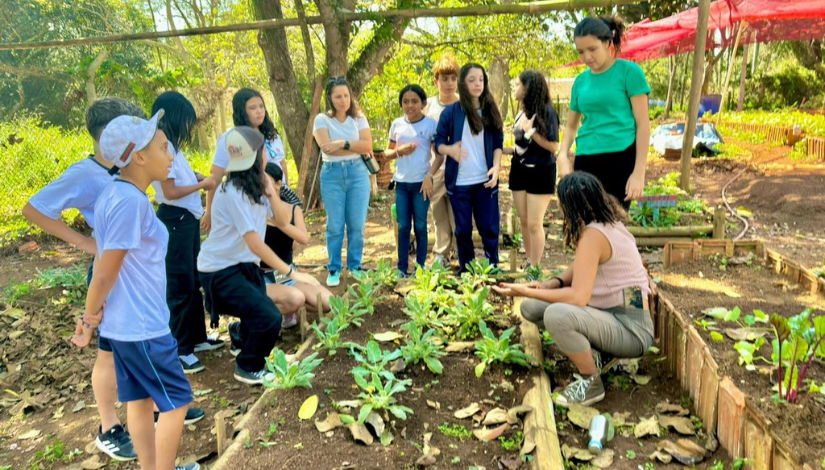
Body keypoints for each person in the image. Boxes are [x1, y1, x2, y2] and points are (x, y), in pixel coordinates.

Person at [72, 111, 200, 470]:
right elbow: (104, 270)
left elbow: (106, 266)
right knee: (176, 401)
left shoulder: (115, 193)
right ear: (139, 157)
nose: (171, 154)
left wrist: (95, 317)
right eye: (163, 147)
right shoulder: (130, 201)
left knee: (141, 401)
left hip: (126, 326)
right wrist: (88, 319)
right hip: (143, 327)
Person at [23, 98, 142, 462]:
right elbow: (34, 209)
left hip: (133, 271)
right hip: (108, 273)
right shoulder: (84, 173)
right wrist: (87, 244)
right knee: (108, 351)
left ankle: (149, 408)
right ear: (108, 134)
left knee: (138, 343)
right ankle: (109, 428)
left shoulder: (127, 168)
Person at [493, 172, 654, 407]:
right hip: (617, 315)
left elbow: (579, 297)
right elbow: (579, 267)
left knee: (556, 315)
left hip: (632, 329)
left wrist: (526, 290)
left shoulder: (593, 235)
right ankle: (599, 354)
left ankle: (591, 382)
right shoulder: (608, 224)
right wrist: (551, 284)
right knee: (532, 308)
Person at [197, 127, 319, 385]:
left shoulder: (255, 186)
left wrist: (272, 191)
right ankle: (248, 366)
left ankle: (240, 334)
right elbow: (255, 244)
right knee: (269, 317)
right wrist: (291, 272)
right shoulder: (233, 192)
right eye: (264, 150)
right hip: (220, 271)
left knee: (258, 311)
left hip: (243, 266)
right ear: (258, 155)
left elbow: (284, 220)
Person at [150, 91, 223, 375]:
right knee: (179, 284)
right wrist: (201, 187)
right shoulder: (158, 143)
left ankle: (197, 339)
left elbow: (180, 176)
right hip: (175, 220)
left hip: (187, 220)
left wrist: (197, 177)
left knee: (193, 280)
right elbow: (169, 191)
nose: (190, 128)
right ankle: (180, 348)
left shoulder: (173, 147)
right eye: (188, 122)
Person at [557, 15, 651, 210]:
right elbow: (571, 125)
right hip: (586, 159)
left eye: (592, 49)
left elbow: (643, 125)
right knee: (585, 223)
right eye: (581, 52)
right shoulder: (580, 82)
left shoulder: (629, 72)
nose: (586, 57)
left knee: (614, 224)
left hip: (620, 158)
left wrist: (639, 172)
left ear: (608, 43)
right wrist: (563, 155)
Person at [434, 63, 504, 273]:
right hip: (460, 183)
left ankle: (492, 267)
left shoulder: (490, 109)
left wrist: (497, 167)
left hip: (485, 180)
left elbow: (498, 142)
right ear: (463, 83)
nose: (477, 84)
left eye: (481, 80)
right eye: (472, 80)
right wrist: (449, 150)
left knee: (489, 228)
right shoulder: (451, 113)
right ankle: (467, 269)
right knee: (462, 230)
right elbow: (438, 142)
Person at [312, 76, 373, 287]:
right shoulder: (321, 119)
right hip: (332, 175)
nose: (343, 100)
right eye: (338, 96)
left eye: (346, 95)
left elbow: (367, 146)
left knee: (356, 224)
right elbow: (325, 146)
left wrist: (343, 143)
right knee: (335, 225)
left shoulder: (359, 119)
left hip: (358, 174)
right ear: (330, 98)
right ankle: (334, 268)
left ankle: (355, 266)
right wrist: (352, 145)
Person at [202, 88, 288, 232]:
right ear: (242, 111)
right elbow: (215, 176)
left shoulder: (272, 136)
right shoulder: (230, 139)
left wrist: (285, 197)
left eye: (261, 106)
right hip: (248, 206)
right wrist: (209, 210)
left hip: (277, 204)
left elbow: (283, 165)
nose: (259, 111)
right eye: (252, 108)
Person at [503, 70, 560, 280]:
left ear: (528, 88)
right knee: (525, 221)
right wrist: (502, 150)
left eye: (517, 84)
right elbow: (521, 145)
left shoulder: (547, 112)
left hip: (541, 171)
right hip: (519, 170)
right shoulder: (520, 112)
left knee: (535, 223)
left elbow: (554, 146)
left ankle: (535, 269)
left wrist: (532, 132)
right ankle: (529, 262)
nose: (514, 88)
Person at [261, 162, 333, 322]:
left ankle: (286, 309)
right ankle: (271, 316)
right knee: (294, 298)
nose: (264, 187)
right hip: (260, 275)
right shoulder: (254, 208)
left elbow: (303, 239)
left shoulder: (294, 209)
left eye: (267, 182)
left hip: (284, 273)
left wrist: (279, 223)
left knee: (328, 301)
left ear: (279, 184)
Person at [383, 85, 441, 277]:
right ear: (401, 104)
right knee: (403, 226)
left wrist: (429, 176)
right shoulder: (397, 124)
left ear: (423, 103)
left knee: (421, 226)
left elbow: (439, 156)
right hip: (401, 184)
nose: (410, 105)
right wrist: (400, 151)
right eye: (406, 101)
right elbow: (387, 153)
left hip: (421, 184)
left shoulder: (430, 125)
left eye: (415, 101)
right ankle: (401, 268)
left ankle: (420, 268)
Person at [424, 54, 460, 267]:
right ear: (436, 81)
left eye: (453, 78)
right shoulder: (428, 106)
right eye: (444, 79)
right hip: (435, 168)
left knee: (459, 213)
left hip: (460, 169)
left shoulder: (464, 104)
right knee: (438, 213)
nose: (449, 84)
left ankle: (462, 251)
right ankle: (441, 253)